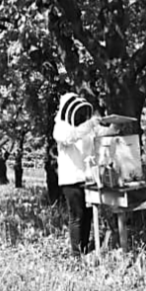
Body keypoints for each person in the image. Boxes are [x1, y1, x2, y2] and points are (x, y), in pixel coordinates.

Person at [53, 92, 97, 257]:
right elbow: (70, 137)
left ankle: (84, 250)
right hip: (71, 179)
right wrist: (90, 125)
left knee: (87, 216)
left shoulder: (84, 128)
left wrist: (109, 126)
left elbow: (94, 142)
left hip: (86, 178)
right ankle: (76, 255)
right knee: (77, 215)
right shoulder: (60, 128)